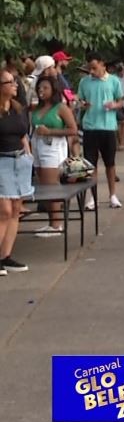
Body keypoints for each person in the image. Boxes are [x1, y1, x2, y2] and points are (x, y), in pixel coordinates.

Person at [30, 76, 77, 237]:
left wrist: (50, 132)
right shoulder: (36, 108)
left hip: (53, 148)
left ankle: (56, 225)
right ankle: (51, 222)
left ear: (53, 90)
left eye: (45, 88)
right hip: (37, 146)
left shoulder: (61, 108)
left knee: (51, 186)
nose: (41, 91)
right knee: (44, 186)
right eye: (39, 88)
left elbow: (73, 129)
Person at [77, 54, 124, 209]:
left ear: (103, 65)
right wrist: (83, 104)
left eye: (94, 68)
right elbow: (80, 100)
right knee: (91, 164)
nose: (91, 71)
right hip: (90, 126)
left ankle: (112, 195)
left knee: (110, 163)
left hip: (108, 126)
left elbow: (120, 100)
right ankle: (92, 197)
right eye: (89, 68)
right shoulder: (84, 82)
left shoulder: (113, 81)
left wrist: (114, 105)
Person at [0, 71, 32, 275]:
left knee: (16, 208)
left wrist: (28, 155)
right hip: (2, 161)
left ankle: (6, 255)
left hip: (20, 161)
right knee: (4, 211)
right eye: (10, 82)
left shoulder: (17, 108)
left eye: (15, 82)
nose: (15, 85)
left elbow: (23, 135)